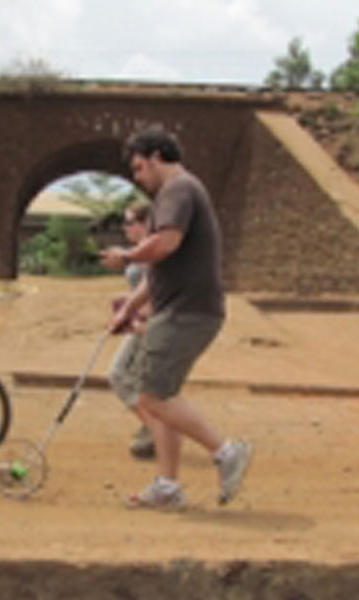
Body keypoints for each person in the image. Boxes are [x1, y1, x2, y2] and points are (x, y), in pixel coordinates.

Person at [101, 125, 252, 509]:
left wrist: (127, 255)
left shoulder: (178, 190)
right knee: (161, 394)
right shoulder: (177, 194)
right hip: (183, 308)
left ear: (156, 157)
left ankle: (225, 452)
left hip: (187, 310)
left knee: (152, 396)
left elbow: (165, 245)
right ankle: (167, 487)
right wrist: (129, 312)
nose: (137, 177)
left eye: (138, 167)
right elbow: (157, 274)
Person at [107, 199, 155, 459]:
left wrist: (139, 317)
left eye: (129, 222)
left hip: (147, 325)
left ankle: (155, 428)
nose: (125, 228)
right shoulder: (140, 252)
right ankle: (152, 429)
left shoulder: (154, 253)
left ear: (145, 223)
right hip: (137, 321)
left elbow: (157, 290)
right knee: (139, 380)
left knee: (119, 374)